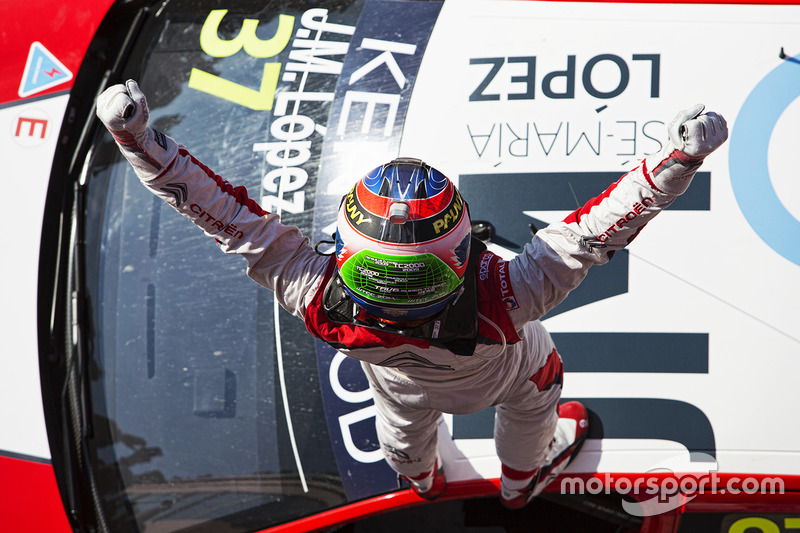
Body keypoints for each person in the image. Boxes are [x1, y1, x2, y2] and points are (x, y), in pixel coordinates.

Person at [96, 80, 728, 509]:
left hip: (401, 390)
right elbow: (599, 228)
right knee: (537, 406)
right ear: (461, 248)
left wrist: (139, 144)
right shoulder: (508, 294)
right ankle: (518, 485)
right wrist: (678, 159)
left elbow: (218, 214)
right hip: (510, 375)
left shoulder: (317, 297)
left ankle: (422, 481)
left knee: (402, 440)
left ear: (347, 250)